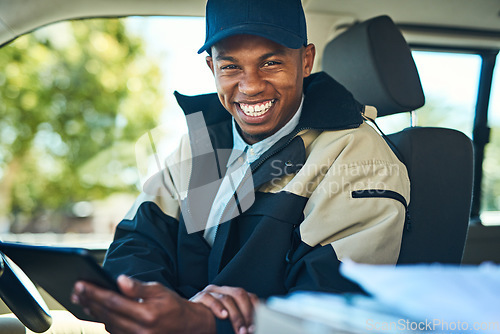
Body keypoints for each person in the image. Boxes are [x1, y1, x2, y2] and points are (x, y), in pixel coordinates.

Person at [71, 0, 410, 333]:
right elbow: (139, 240)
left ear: (305, 61)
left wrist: (207, 322)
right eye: (231, 66)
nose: (250, 86)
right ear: (211, 68)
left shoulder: (357, 157)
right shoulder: (202, 142)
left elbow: (333, 313)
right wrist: (145, 303)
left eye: (271, 63)